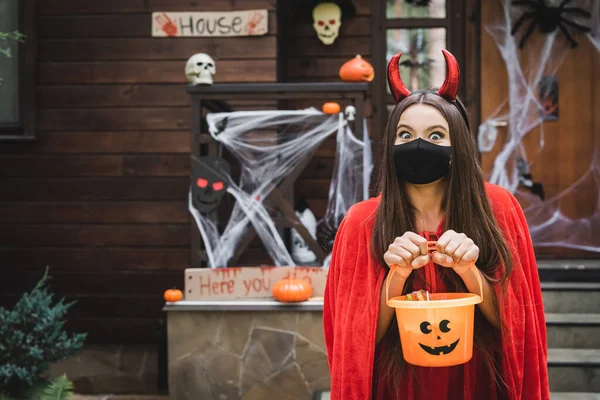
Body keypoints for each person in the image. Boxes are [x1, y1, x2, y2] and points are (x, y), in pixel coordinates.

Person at [323, 49, 550, 400]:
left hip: (478, 384)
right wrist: (396, 275)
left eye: (435, 136)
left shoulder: (498, 208)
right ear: (391, 146)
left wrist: (469, 271)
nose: (418, 145)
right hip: (396, 387)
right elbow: (357, 338)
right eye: (405, 134)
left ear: (457, 145)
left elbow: (517, 324)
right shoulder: (360, 222)